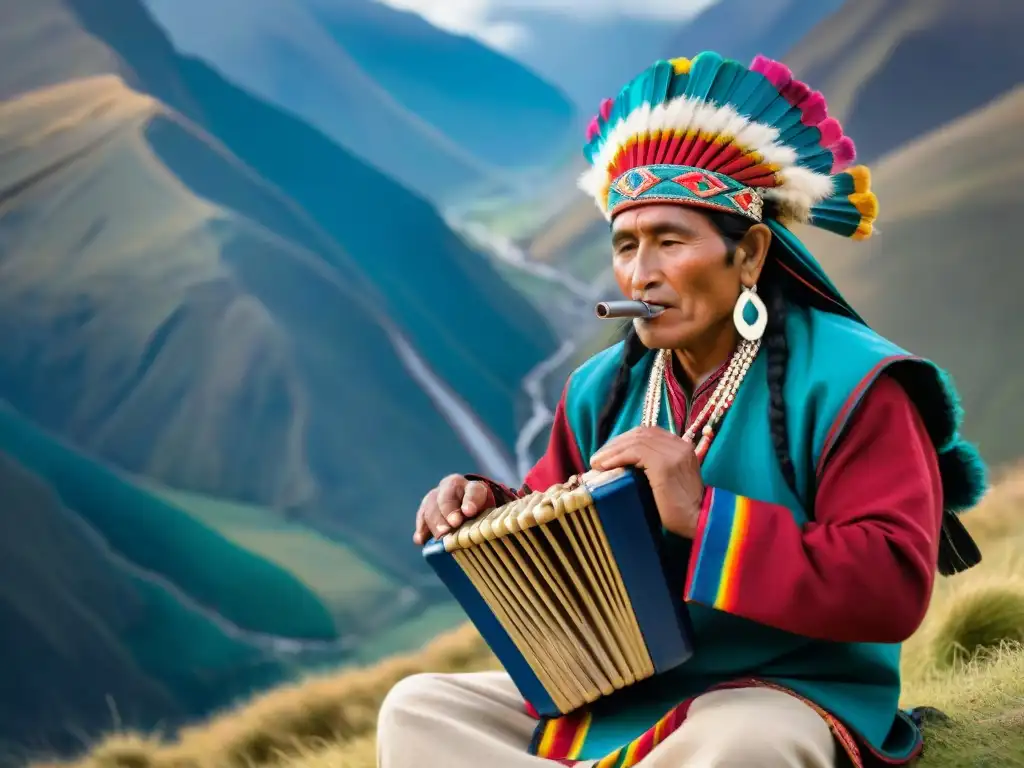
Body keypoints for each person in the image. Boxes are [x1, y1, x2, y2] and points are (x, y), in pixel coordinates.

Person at [377, 51, 986, 768]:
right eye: (626, 246)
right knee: (417, 708)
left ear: (750, 253)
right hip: (628, 691)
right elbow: (561, 519)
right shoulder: (600, 388)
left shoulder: (856, 383)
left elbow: (892, 590)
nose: (642, 274)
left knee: (739, 747)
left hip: (782, 692)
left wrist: (702, 517)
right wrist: (488, 509)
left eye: (670, 241)